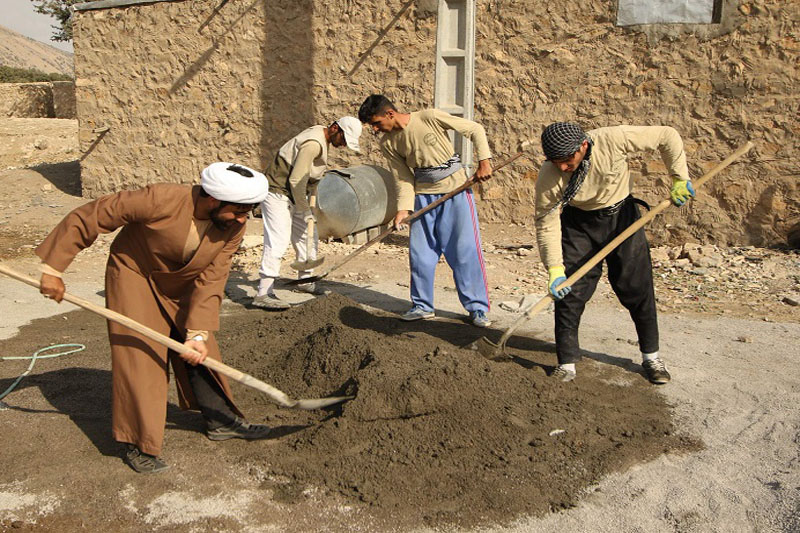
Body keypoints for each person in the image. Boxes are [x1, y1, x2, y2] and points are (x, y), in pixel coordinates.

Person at [37, 163, 274, 473]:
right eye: (240, 211)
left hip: (182, 282)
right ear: (213, 199)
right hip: (134, 274)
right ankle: (137, 443)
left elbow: (214, 278)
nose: (244, 219)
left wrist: (198, 332)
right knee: (141, 356)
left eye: (249, 211)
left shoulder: (233, 226)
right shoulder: (159, 199)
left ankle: (222, 421)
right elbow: (92, 215)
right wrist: (53, 269)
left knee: (202, 352)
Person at [534, 122, 696, 384]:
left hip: (622, 217)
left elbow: (667, 135)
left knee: (637, 288)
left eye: (567, 160)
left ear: (583, 146)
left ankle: (651, 357)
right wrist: (554, 269)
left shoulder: (612, 139)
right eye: (556, 162)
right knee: (570, 291)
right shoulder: (549, 175)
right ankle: (566, 362)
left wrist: (679, 177)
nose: (562, 167)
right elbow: (546, 221)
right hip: (579, 225)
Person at [357, 94, 493, 327]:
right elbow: (403, 177)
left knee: (464, 251)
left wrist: (484, 161)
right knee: (421, 254)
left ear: (390, 114)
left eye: (377, 123)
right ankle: (422, 305)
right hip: (423, 197)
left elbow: (474, 129)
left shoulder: (428, 117)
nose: (376, 129)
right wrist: (403, 209)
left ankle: (477, 308)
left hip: (456, 190)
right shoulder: (388, 143)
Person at [253, 117, 363, 309]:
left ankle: (305, 281)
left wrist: (308, 206)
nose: (343, 145)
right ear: (335, 128)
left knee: (307, 236)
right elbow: (296, 180)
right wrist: (304, 210)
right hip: (278, 192)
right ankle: (264, 292)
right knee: (278, 240)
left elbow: (307, 177)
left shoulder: (322, 136)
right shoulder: (313, 143)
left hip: (295, 194)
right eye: (344, 139)